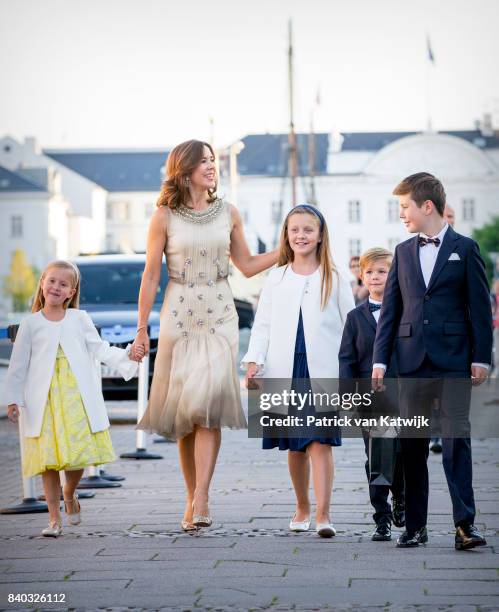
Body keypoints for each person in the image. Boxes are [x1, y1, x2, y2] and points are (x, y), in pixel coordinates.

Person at [132, 140, 278, 532]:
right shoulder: (163, 216)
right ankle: (191, 493)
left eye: (213, 160)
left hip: (219, 312)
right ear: (184, 169)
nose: (211, 167)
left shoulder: (228, 213)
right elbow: (150, 275)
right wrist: (142, 328)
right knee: (186, 413)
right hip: (178, 314)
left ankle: (202, 496)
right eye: (204, 162)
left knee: (209, 402)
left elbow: (246, 265)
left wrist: (289, 249)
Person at [372, 172, 492, 550]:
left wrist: (481, 358)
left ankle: (464, 526)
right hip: (411, 363)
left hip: (454, 362)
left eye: (405, 207)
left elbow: (479, 310)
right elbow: (391, 311)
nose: (401, 215)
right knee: (412, 446)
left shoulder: (466, 248)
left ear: (427, 206)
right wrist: (379, 360)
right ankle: (415, 527)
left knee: (457, 440)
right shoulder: (403, 252)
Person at [3, 260, 140, 537]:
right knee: (49, 461)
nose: (56, 287)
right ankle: (54, 519)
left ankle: (69, 492)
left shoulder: (80, 319)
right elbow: (18, 366)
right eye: (51, 281)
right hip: (44, 401)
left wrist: (127, 355)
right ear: (42, 283)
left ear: (70, 292)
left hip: (76, 397)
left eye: (63, 284)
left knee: (77, 454)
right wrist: (13, 399)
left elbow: (100, 349)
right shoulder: (30, 325)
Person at [242, 204, 354, 537]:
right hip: (284, 368)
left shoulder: (334, 277)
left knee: (320, 442)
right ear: (287, 236)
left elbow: (352, 327)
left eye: (308, 229)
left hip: (323, 369)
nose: (301, 235)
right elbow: (262, 325)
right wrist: (253, 361)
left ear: (320, 235)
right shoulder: (276, 277)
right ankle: (302, 506)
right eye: (295, 230)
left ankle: (324, 515)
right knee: (295, 445)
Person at [339, 247, 405, 542]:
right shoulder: (355, 318)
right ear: (361, 276)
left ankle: (402, 499)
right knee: (376, 457)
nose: (376, 277)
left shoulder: (407, 312)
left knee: (402, 453)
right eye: (370, 272)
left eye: (382, 271)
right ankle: (382, 516)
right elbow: (346, 360)